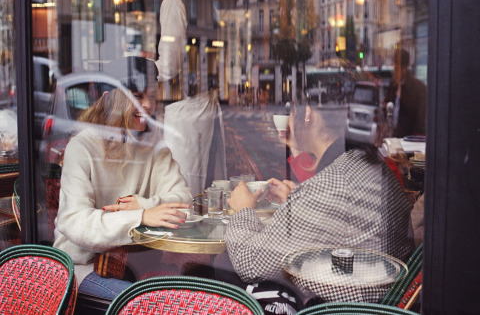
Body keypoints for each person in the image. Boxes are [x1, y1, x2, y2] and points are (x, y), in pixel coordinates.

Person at [222, 102, 415, 304]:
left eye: (291, 111)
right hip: (372, 298)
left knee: (218, 270)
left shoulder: (334, 185)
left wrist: (242, 210)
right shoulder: (367, 164)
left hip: (340, 307)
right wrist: (299, 200)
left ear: (307, 114)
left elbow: (251, 262)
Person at [53, 84, 192, 300]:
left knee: (192, 294)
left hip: (134, 262)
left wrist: (142, 205)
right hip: (81, 266)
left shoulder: (153, 144)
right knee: (149, 303)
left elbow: (183, 199)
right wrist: (141, 217)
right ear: (109, 100)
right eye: (137, 96)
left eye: (152, 97)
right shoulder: (82, 147)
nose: (147, 104)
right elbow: (73, 221)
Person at [384, 48, 427, 138]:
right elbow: (387, 104)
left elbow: (418, 116)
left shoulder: (417, 87)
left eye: (397, 69)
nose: (395, 72)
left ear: (405, 68)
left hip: (408, 138)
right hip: (394, 135)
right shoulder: (393, 84)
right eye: (394, 68)